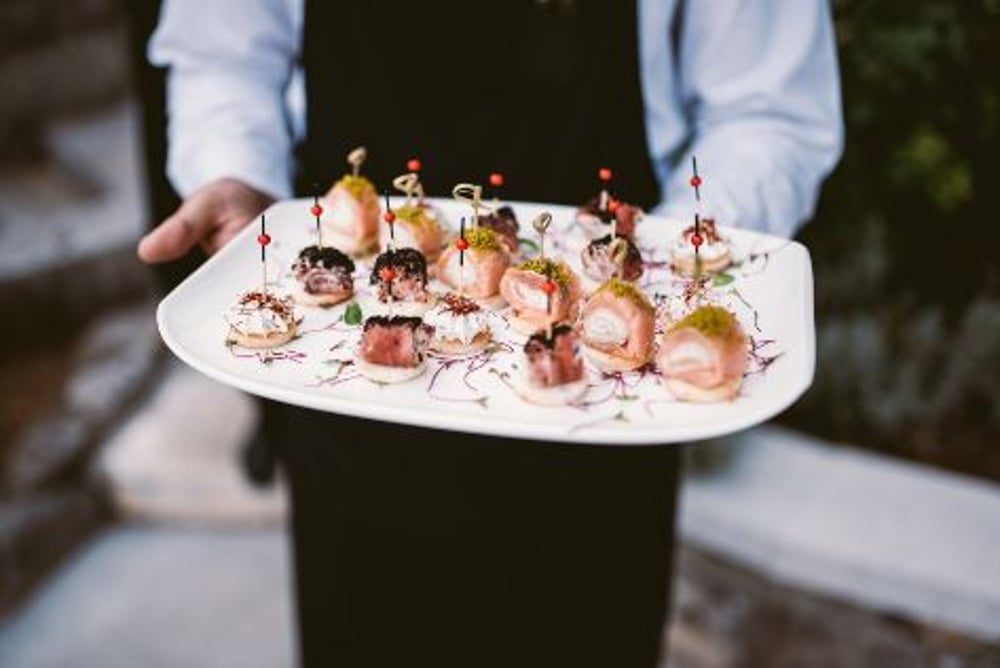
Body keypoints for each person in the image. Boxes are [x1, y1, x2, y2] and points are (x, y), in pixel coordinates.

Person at [140, 1, 842, 666]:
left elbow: (769, 111)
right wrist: (235, 172)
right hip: (347, 414)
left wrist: (673, 254)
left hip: (601, 437)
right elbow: (221, 52)